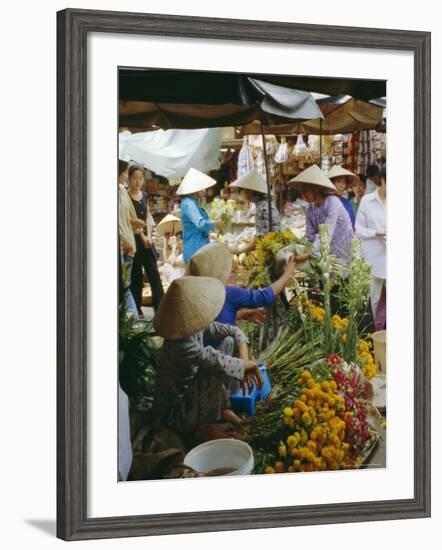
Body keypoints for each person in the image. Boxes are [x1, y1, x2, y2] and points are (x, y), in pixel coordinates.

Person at [152, 276, 263, 440]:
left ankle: (222, 409)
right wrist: (246, 366)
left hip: (192, 391)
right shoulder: (179, 345)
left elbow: (234, 331)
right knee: (213, 367)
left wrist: (246, 362)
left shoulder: (195, 326)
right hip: (174, 411)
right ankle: (198, 427)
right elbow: (215, 361)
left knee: (228, 341)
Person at [186, 241, 297, 327]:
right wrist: (287, 273)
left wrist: (241, 315)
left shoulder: (193, 295)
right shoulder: (228, 293)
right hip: (219, 352)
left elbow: (213, 322)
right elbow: (263, 297)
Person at [289, 164, 354, 267]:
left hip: (343, 253)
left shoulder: (333, 202)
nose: (303, 194)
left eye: (305, 190)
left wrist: (308, 255)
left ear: (316, 189)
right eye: (302, 191)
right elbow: (309, 236)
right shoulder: (311, 209)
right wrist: (301, 248)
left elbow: (326, 235)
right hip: (327, 255)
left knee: (340, 279)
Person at [127, 165, 164, 315]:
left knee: (153, 273)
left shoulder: (144, 195)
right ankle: (137, 310)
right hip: (134, 240)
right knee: (136, 276)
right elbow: (128, 220)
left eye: (140, 178)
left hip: (146, 241)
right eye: (134, 178)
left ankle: (160, 308)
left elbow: (148, 217)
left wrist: (149, 235)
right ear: (129, 179)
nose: (137, 181)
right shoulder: (126, 197)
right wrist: (142, 236)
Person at [355, 167, 386, 328]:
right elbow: (358, 230)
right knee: (372, 300)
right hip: (372, 260)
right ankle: (368, 339)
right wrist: (376, 233)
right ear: (382, 180)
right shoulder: (367, 201)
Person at [177, 167, 224, 263]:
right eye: (201, 187)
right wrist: (215, 224)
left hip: (199, 248)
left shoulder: (194, 202)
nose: (204, 190)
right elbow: (200, 224)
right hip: (195, 249)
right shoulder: (188, 203)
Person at [118, 160, 144, 316]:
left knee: (124, 285)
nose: (128, 176)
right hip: (122, 245)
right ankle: (132, 320)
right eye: (126, 173)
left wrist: (135, 222)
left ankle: (130, 321)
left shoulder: (122, 191)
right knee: (123, 286)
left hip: (128, 246)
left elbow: (126, 217)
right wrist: (123, 239)